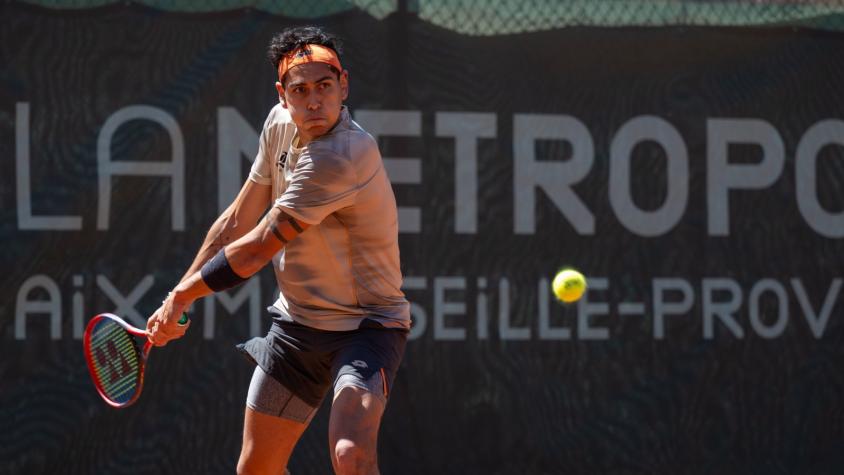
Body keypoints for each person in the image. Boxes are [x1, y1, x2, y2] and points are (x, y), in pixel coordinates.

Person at [146, 25, 410, 475]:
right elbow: (236, 220)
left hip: (366, 326)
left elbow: (257, 247)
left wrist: (185, 296)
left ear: (343, 84)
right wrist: (176, 294)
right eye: (300, 90)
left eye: (325, 87)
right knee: (256, 470)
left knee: (350, 452)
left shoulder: (342, 155)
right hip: (297, 326)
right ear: (282, 95)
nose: (313, 101)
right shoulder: (278, 123)